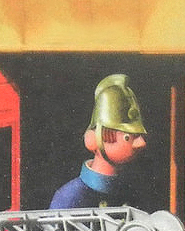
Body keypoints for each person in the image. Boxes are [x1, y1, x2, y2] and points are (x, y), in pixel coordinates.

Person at [49, 74, 147, 209]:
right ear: (95, 138)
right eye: (127, 137)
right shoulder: (70, 196)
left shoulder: (129, 191)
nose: (141, 142)